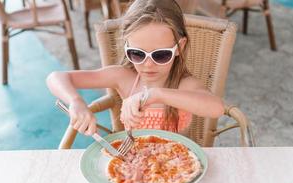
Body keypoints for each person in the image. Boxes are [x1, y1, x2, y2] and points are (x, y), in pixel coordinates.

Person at [46, 0, 224, 136]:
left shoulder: (184, 84)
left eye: (160, 54)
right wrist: (75, 101)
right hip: (132, 165)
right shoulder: (123, 77)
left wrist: (155, 94)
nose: (148, 64)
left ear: (180, 46)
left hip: (176, 165)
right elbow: (56, 77)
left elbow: (216, 108)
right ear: (126, 46)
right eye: (137, 54)